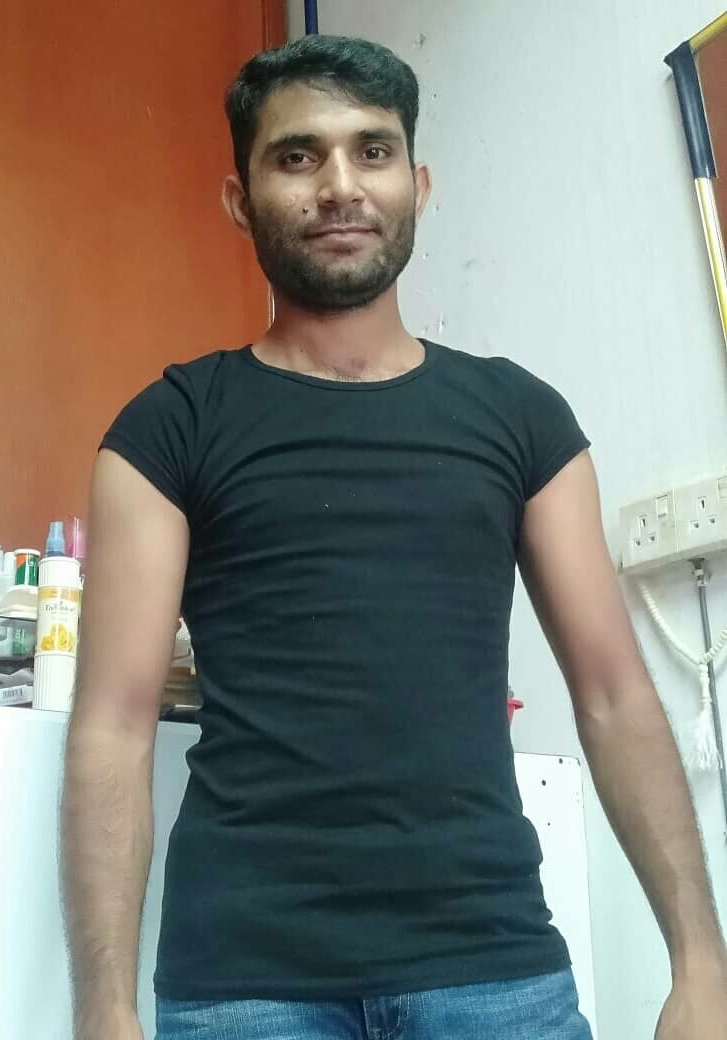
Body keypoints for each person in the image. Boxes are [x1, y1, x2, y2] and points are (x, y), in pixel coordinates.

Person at [60, 33, 727, 1040]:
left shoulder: (522, 419)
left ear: (417, 185)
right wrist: (101, 1009)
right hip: (245, 985)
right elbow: (113, 724)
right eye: (297, 156)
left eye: (372, 151)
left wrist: (701, 962)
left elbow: (614, 692)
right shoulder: (169, 428)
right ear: (240, 199)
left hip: (496, 972)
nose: (340, 186)